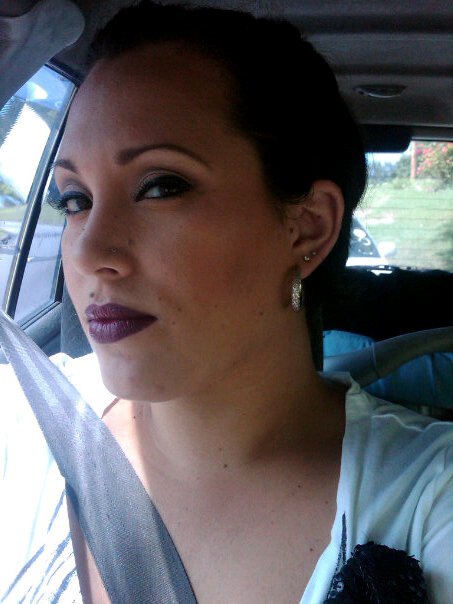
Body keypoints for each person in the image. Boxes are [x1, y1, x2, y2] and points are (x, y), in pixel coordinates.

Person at [1, 2, 452, 603]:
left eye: (160, 186)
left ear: (307, 227)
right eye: (74, 200)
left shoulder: (430, 500)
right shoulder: (24, 426)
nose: (88, 252)